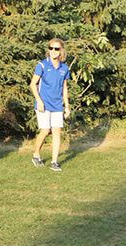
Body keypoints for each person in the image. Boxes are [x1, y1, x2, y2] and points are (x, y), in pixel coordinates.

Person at [30, 38, 71, 171]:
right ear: (48, 50)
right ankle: (36, 155)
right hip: (43, 104)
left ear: (61, 51)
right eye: (51, 48)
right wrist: (39, 101)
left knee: (57, 131)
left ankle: (54, 162)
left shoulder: (64, 68)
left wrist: (67, 106)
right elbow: (32, 84)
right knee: (45, 130)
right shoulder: (42, 65)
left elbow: (64, 88)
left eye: (56, 49)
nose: (53, 51)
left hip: (57, 105)